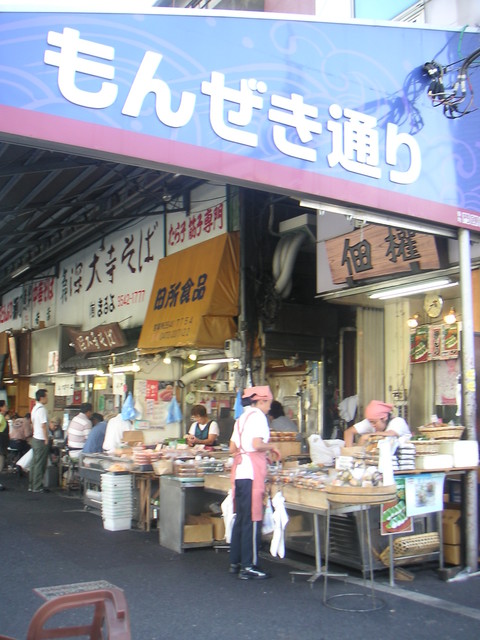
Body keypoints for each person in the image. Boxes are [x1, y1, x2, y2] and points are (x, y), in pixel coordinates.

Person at [229, 385, 281, 580]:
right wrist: (272, 446)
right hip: (252, 473)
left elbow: (232, 448)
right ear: (261, 401)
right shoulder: (259, 417)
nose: (270, 407)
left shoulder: (241, 418)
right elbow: (257, 444)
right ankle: (249, 566)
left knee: (241, 518)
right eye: (268, 403)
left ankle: (235, 562)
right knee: (252, 519)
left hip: (240, 473)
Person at [343, 400, 411, 447]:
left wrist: (366, 436)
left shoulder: (398, 421)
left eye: (374, 422)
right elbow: (348, 432)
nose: (372, 425)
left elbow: (391, 433)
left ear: (384, 418)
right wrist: (350, 452)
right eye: (370, 422)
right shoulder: (371, 421)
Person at [29, 389, 49, 493]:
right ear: (41, 398)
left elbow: (33, 424)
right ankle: (37, 486)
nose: (47, 398)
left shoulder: (34, 408)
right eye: (46, 396)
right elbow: (43, 425)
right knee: (40, 463)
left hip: (35, 437)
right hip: (41, 439)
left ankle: (32, 485)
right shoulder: (42, 409)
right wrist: (46, 438)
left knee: (34, 463)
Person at [0, 401, 9, 473]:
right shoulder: (1, 417)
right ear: (1, 408)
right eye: (5, 406)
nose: (6, 407)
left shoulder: (2, 417)